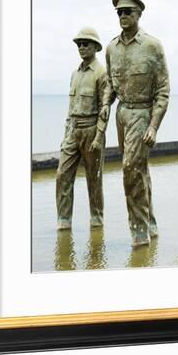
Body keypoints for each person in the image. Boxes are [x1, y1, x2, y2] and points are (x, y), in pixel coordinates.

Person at [100, 0, 170, 247]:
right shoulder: (110, 48)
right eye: (119, 12)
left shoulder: (153, 46)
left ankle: (139, 234)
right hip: (122, 115)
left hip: (142, 114)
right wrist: (105, 104)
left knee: (130, 170)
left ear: (139, 14)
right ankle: (151, 224)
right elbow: (110, 83)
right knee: (138, 171)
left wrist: (153, 126)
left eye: (127, 11)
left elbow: (163, 91)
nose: (123, 16)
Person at [56, 27, 108, 230]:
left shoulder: (101, 73)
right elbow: (70, 109)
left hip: (92, 131)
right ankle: (64, 219)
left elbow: (105, 107)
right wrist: (65, 134)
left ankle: (97, 218)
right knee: (62, 174)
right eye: (79, 44)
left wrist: (99, 136)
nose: (82, 47)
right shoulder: (75, 74)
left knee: (93, 178)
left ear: (95, 46)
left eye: (86, 43)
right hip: (73, 131)